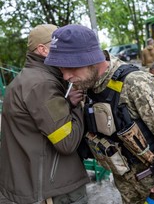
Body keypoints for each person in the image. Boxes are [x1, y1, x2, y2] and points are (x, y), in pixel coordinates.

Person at [44, 24, 154, 204]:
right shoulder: (87, 83)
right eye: (61, 69)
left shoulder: (136, 84)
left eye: (70, 68)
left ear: (91, 59)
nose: (66, 76)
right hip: (123, 180)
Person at [0, 24, 89, 204]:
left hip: (31, 183)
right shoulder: (42, 85)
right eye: (59, 44)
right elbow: (67, 141)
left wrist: (67, 103)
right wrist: (79, 106)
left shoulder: (26, 79)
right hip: (55, 190)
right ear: (43, 50)